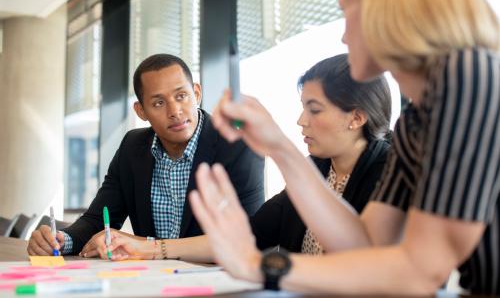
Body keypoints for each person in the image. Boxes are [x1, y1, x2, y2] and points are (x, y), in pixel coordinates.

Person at [189, 0, 500, 295]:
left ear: (383, 6)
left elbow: (420, 271)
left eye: (345, 10)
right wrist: (279, 146)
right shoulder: (415, 123)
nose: (343, 35)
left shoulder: (470, 76)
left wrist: (258, 265)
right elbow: (366, 244)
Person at [89, 53, 392, 261]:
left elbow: (370, 267)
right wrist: (151, 248)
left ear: (356, 118)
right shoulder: (318, 172)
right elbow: (247, 236)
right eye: (303, 107)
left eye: (314, 109)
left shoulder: (389, 172)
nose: (301, 120)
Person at [27, 54, 265, 257]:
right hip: (151, 283)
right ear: (141, 111)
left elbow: (247, 239)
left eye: (181, 96)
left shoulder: (240, 147)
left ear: (197, 93)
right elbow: (98, 220)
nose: (175, 111)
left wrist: (149, 248)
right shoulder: (133, 147)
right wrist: (59, 240)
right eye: (159, 103)